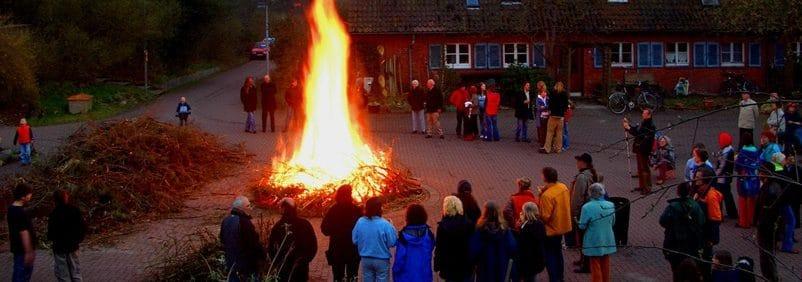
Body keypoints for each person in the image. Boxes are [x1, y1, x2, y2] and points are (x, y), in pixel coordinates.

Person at [659, 182, 705, 280]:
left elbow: (662, 221)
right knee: (691, 268)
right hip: (692, 243)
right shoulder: (695, 205)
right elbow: (701, 221)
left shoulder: (672, 207)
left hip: (675, 243)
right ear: (689, 191)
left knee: (676, 269)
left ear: (678, 192)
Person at [268, 198, 317, 282]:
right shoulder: (305, 224)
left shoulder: (278, 226)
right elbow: (313, 245)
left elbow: (271, 247)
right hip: (301, 267)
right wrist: (306, 260)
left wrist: (276, 262)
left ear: (282, 209)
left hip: (284, 267)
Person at [321, 185, 362, 282]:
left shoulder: (333, 210)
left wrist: (335, 231)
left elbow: (324, 229)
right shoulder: (356, 210)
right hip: (352, 252)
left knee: (338, 278)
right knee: (352, 277)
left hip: (338, 251)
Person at [469, 201, 517, 282]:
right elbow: (513, 247)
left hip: (484, 268)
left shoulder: (480, 230)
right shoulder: (505, 230)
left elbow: (473, 250)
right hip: (501, 266)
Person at [538, 167, 572, 282]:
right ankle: (560, 277)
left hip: (551, 230)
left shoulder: (547, 196)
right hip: (562, 226)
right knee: (558, 254)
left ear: (545, 177)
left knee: (550, 257)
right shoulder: (563, 187)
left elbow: (545, 216)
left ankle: (554, 278)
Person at [352, 197, 397, 282]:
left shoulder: (360, 221)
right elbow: (392, 242)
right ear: (379, 209)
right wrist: (392, 226)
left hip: (365, 259)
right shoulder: (385, 224)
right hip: (381, 260)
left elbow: (354, 239)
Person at [578, 183, 617, 282]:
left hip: (593, 238)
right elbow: (613, 221)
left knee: (595, 264)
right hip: (608, 237)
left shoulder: (587, 207)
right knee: (606, 262)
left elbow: (582, 225)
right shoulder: (610, 205)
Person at [220, 196, 264, 281]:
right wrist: (262, 256)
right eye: (248, 206)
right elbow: (253, 244)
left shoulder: (226, 220)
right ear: (241, 208)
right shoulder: (244, 222)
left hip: (231, 263)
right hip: (245, 265)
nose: (250, 208)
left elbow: (222, 239)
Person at [568, 153, 599, 273]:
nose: (577, 163)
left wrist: (573, 214)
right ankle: (583, 260)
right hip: (591, 210)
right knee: (585, 237)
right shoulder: (594, 174)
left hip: (582, 212)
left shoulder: (582, 177)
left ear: (583, 163)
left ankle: (586, 265)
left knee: (582, 238)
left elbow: (577, 198)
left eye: (578, 161)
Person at [47, 190, 87, 282]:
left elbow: (50, 234)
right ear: (66, 198)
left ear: (55, 200)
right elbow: (82, 227)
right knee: (75, 272)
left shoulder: (54, 214)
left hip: (59, 248)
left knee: (63, 274)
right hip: (72, 246)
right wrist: (78, 239)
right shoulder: (74, 210)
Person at [756, 162, 785, 281]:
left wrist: (760, 225)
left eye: (760, 172)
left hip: (768, 228)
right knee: (766, 255)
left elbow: (767, 212)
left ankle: (772, 278)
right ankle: (769, 277)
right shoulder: (770, 186)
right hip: (767, 226)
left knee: (767, 255)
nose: (758, 174)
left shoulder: (770, 190)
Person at [434, 196, 474, 282]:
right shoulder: (469, 225)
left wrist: (437, 265)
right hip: (465, 267)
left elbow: (439, 248)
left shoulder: (442, 227)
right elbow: (473, 246)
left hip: (449, 269)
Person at [693, 167, 722, 281]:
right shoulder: (698, 192)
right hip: (698, 234)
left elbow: (715, 219)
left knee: (704, 262)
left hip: (706, 236)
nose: (695, 179)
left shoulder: (711, 195)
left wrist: (711, 239)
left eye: (698, 177)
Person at [393, 204, 435, 282]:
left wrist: (395, 270)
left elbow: (399, 258)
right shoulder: (428, 234)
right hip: (424, 275)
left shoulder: (403, 237)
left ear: (408, 217)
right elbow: (431, 248)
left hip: (407, 276)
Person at [8, 183, 36, 282]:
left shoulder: (11, 209)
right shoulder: (21, 213)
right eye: (29, 193)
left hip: (17, 248)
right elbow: (24, 232)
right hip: (22, 250)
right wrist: (29, 251)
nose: (30, 196)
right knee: (21, 276)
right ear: (23, 195)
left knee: (19, 274)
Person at [624, 109, 656, 194]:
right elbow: (637, 130)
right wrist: (629, 127)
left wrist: (629, 128)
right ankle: (642, 186)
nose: (642, 114)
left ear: (649, 115)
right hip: (640, 148)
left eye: (644, 113)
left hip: (644, 149)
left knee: (644, 168)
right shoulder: (644, 122)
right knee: (640, 168)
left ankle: (647, 188)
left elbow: (639, 134)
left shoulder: (649, 125)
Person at [516, 202, 547, 282]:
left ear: (527, 213)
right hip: (538, 260)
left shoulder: (526, 229)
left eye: (522, 212)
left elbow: (523, 246)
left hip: (528, 263)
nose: (521, 213)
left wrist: (521, 227)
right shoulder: (540, 224)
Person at [735, 133, 760, 228]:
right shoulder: (756, 151)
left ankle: (743, 222)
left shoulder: (742, 152)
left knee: (743, 200)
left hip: (744, 179)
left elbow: (737, 166)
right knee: (752, 200)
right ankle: (752, 220)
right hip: (754, 178)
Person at [714, 132, 738, 220]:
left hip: (722, 178)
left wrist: (715, 175)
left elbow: (722, 166)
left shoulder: (725, 153)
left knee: (721, 196)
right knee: (728, 195)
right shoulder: (729, 150)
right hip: (726, 177)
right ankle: (732, 213)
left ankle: (720, 214)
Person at [541, 82, 568, 154]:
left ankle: (547, 149)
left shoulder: (553, 93)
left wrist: (550, 110)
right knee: (559, 133)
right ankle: (558, 149)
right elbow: (566, 106)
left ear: (555, 86)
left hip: (553, 115)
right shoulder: (564, 94)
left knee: (550, 132)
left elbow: (550, 104)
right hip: (561, 116)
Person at [535, 81, 550, 149]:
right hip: (540, 116)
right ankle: (541, 142)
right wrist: (544, 107)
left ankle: (544, 142)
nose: (545, 93)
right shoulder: (538, 98)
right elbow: (538, 108)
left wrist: (544, 107)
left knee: (545, 129)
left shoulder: (547, 98)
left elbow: (548, 106)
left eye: (545, 92)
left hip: (546, 116)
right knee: (541, 129)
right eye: (543, 92)